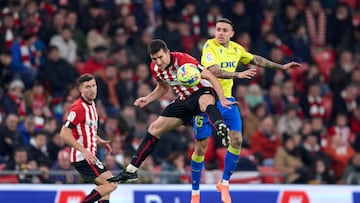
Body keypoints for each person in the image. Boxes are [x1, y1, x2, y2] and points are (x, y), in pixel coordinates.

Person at [191, 18, 301, 203]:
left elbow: (255, 59)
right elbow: (213, 71)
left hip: (228, 102)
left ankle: (224, 184)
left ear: (232, 34)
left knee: (237, 140)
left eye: (225, 30)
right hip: (206, 101)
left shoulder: (236, 49)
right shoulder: (209, 46)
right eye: (218, 29)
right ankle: (195, 193)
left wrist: (281, 67)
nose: (220, 33)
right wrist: (238, 74)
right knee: (201, 147)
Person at [107, 39, 234, 183]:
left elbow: (210, 76)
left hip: (202, 91)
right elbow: (163, 87)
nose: (158, 62)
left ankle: (220, 127)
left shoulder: (184, 60)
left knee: (204, 102)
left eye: (161, 57)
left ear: (167, 53)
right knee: (154, 128)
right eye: (154, 59)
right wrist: (148, 98)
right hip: (183, 99)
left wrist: (222, 99)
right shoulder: (155, 68)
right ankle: (131, 170)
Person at [60, 74, 117, 203]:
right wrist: (83, 150)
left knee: (107, 187)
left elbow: (86, 130)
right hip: (82, 157)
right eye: (87, 87)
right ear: (80, 89)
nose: (92, 90)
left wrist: (99, 140)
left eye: (93, 86)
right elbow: (64, 133)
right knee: (110, 184)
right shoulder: (78, 108)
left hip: (90, 155)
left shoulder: (91, 104)